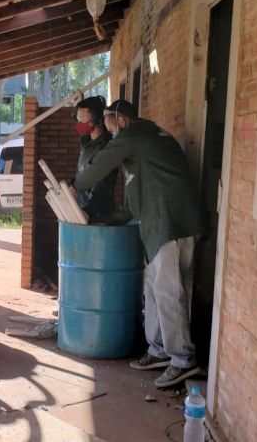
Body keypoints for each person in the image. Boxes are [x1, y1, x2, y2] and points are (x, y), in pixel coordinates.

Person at [73, 100, 206, 388]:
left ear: (120, 121)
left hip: (174, 224)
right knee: (154, 289)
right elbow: (134, 202)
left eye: (110, 127)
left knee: (169, 292)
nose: (110, 134)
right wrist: (111, 220)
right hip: (161, 224)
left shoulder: (135, 136)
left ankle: (183, 359)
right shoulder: (145, 145)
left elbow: (99, 165)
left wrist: (74, 188)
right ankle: (158, 350)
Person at [74, 96, 118, 221]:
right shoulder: (86, 141)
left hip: (97, 215)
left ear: (98, 120)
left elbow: (103, 188)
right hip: (81, 210)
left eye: (83, 119)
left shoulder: (106, 147)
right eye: (78, 119)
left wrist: (87, 212)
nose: (79, 124)